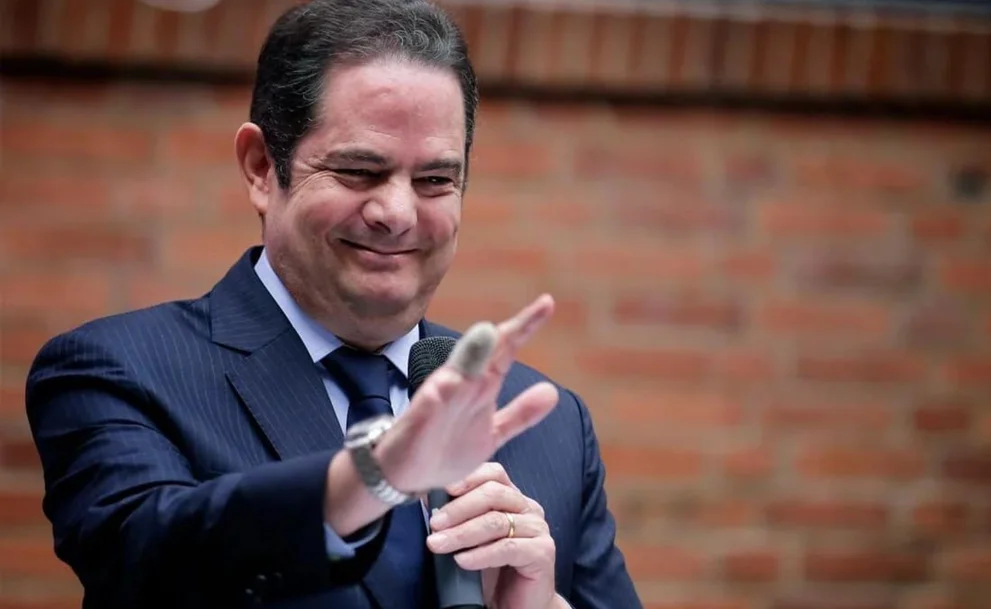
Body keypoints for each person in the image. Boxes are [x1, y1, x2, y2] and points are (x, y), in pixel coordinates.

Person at [23, 1, 642, 608]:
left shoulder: (548, 424)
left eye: (434, 180)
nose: (396, 213)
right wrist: (375, 475)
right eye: (358, 171)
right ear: (262, 168)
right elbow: (147, 558)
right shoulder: (119, 371)